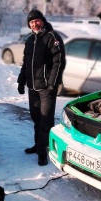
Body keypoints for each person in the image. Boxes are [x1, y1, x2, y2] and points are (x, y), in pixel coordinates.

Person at [17, 9, 66, 166]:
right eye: (31, 22)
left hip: (46, 88)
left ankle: (43, 151)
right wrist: (21, 81)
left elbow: (58, 62)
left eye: (37, 20)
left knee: (46, 120)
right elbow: (26, 63)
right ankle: (38, 144)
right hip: (33, 87)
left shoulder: (52, 37)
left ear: (42, 21)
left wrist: (52, 83)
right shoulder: (30, 40)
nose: (34, 24)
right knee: (36, 118)